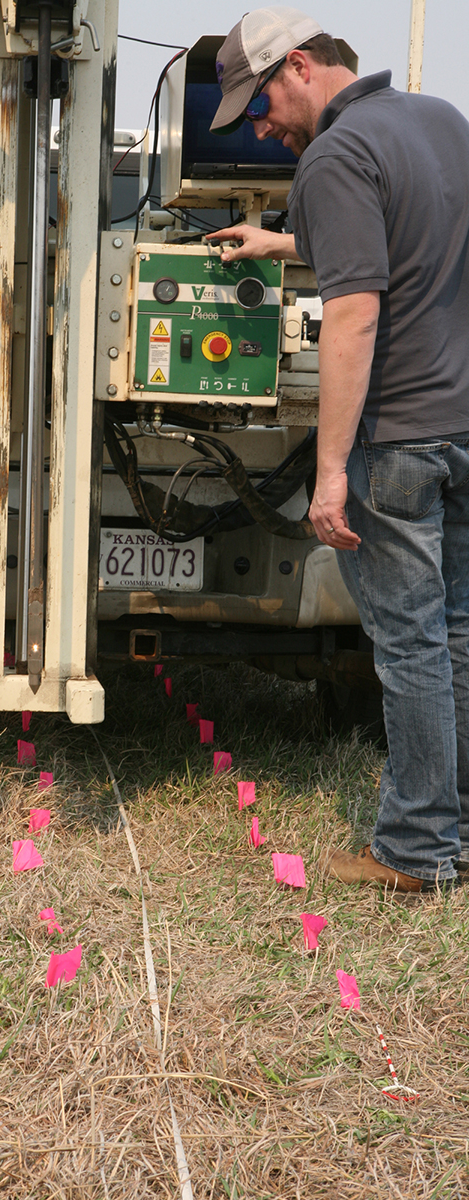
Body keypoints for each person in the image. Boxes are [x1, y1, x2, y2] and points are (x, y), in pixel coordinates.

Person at [207, 5, 469, 892]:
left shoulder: (332, 157)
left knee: (408, 647)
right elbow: (399, 243)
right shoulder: (438, 121)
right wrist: (277, 239)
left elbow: (355, 311)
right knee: (458, 632)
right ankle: (457, 835)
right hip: (466, 424)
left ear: (303, 67)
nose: (259, 125)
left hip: (399, 439)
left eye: (260, 102)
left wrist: (328, 474)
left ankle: (413, 851)